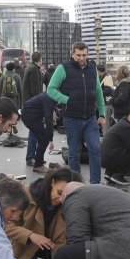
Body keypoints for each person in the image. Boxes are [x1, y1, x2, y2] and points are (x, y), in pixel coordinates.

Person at [46, 42, 106, 184]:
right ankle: (76, 184)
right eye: (78, 55)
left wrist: (102, 114)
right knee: (74, 153)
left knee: (95, 150)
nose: (81, 58)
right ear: (72, 53)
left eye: (84, 55)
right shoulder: (63, 68)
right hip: (72, 118)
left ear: (87, 54)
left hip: (90, 118)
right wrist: (67, 100)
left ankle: (95, 184)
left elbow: (98, 92)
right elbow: (51, 89)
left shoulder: (92, 68)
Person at [7, 167, 81, 259]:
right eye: (59, 192)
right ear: (52, 182)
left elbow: (60, 242)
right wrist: (31, 235)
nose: (60, 199)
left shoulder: (67, 205)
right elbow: (6, 225)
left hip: (48, 249)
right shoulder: (25, 195)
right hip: (21, 247)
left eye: (66, 196)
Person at [101, 110, 130, 186]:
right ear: (129, 117)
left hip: (105, 159)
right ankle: (118, 175)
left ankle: (109, 173)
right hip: (110, 158)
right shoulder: (127, 127)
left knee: (123, 152)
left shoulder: (122, 124)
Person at [20, 91, 55, 173]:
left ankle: (38, 161)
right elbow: (48, 119)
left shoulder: (49, 94)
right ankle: (38, 165)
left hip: (32, 115)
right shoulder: (49, 99)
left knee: (41, 137)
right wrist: (51, 139)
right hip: (30, 117)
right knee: (44, 139)